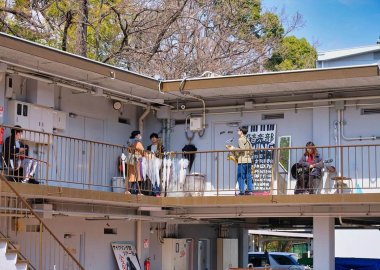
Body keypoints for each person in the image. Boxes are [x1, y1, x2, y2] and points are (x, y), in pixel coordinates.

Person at [227, 126, 253, 195]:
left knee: (240, 176)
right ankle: (250, 191)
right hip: (248, 160)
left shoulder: (240, 139)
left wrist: (233, 148)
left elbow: (242, 149)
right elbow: (251, 151)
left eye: (238, 130)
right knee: (248, 176)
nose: (237, 131)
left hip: (242, 161)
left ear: (241, 131)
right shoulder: (247, 140)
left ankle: (242, 191)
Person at [127, 130, 144, 194]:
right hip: (137, 161)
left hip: (131, 161)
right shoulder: (138, 143)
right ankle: (134, 192)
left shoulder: (129, 142)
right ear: (136, 135)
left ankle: (131, 191)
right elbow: (143, 152)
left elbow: (128, 150)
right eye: (139, 134)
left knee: (132, 177)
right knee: (137, 177)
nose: (140, 136)